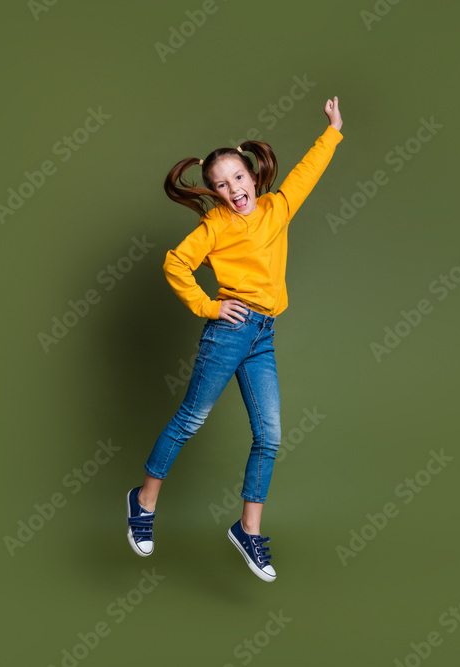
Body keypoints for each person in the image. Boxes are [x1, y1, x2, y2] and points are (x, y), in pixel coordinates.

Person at [126, 97, 344, 582]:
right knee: (190, 420)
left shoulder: (278, 207)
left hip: (263, 334)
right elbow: (174, 263)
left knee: (270, 436)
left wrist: (332, 131)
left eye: (238, 179)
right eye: (221, 185)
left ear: (252, 175)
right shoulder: (215, 225)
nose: (233, 190)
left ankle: (248, 531)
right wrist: (209, 306)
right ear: (215, 191)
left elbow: (308, 172)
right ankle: (142, 503)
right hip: (229, 332)